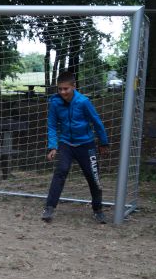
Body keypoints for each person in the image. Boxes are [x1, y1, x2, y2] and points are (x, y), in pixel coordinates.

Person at [41, 71, 110, 224]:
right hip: (66, 143)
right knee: (61, 171)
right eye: (60, 89)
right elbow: (52, 125)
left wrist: (103, 143)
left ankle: (98, 209)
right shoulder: (55, 102)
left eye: (66, 88)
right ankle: (49, 208)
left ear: (74, 86)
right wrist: (53, 146)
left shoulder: (83, 102)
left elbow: (97, 122)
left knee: (93, 177)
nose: (63, 92)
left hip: (86, 145)